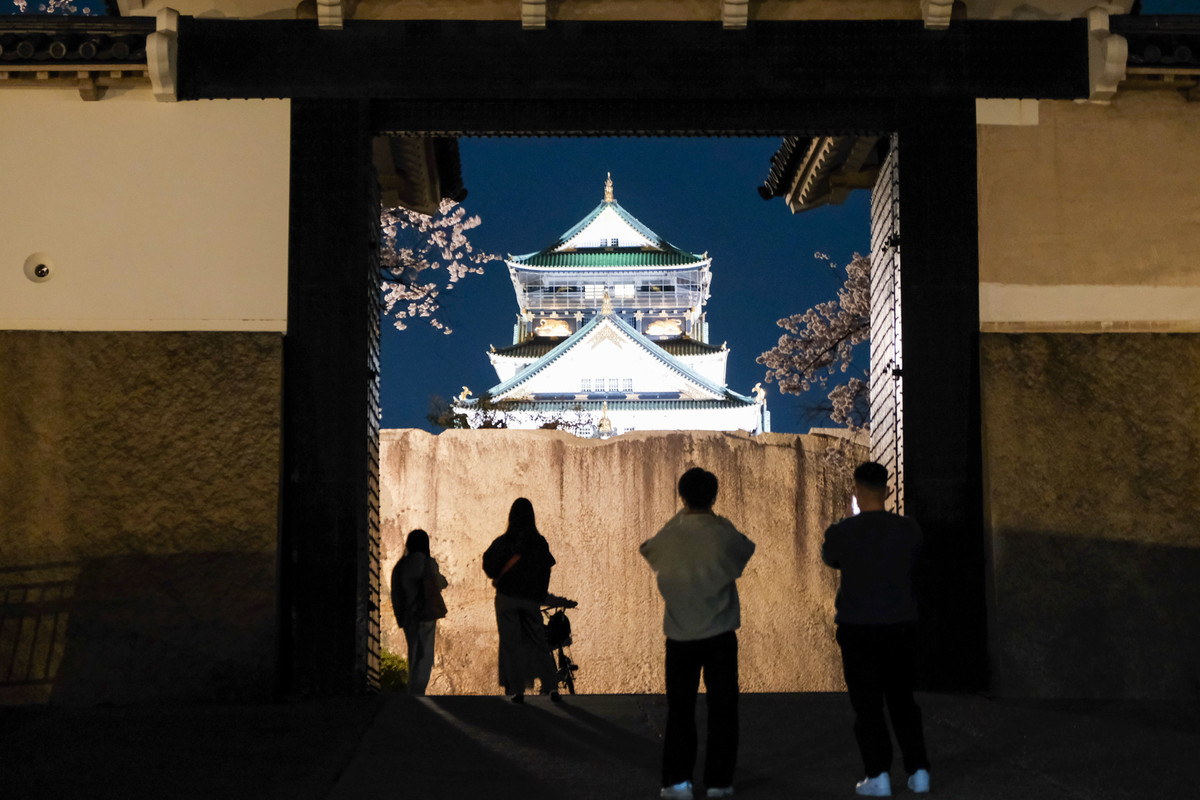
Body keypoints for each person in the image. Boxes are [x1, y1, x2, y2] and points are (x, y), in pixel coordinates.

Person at [640, 467, 756, 800]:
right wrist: (716, 519)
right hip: (720, 635)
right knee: (723, 710)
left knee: (680, 711)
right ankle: (719, 782)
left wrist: (681, 516)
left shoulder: (670, 536)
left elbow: (649, 548)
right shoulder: (723, 534)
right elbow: (745, 548)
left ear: (682, 497)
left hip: (680, 637)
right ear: (714, 497)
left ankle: (678, 782)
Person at [822, 461, 931, 797]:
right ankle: (919, 771)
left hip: (858, 628)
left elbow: (831, 558)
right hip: (901, 626)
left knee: (867, 705)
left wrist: (847, 523)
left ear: (855, 491)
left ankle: (878, 775)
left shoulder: (841, 532)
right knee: (903, 701)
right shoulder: (909, 529)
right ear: (887, 490)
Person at [482, 497, 561, 703]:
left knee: (511, 645)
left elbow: (488, 566)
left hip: (506, 598)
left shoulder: (503, 542)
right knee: (538, 642)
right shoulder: (539, 543)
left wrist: (501, 575)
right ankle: (551, 686)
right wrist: (539, 595)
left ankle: (517, 690)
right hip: (530, 599)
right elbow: (546, 570)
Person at [391, 528, 448, 695]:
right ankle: (418, 689)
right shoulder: (427, 563)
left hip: (409, 615)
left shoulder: (401, 565)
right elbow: (441, 583)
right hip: (426, 614)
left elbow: (396, 593)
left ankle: (413, 688)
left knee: (413, 652)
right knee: (425, 654)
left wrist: (400, 616)